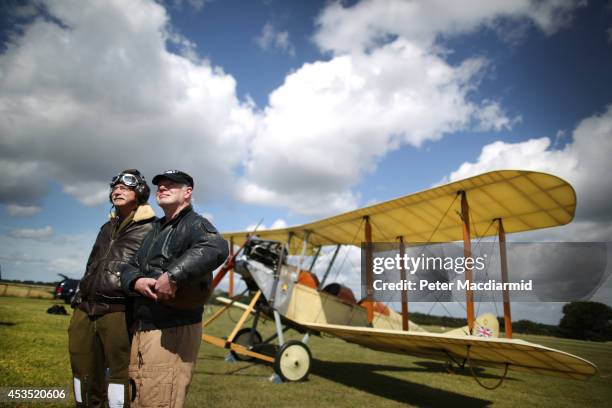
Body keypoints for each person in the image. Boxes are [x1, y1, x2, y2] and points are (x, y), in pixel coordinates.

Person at [121, 170, 228, 408]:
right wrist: (135, 281)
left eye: (172, 185)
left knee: (160, 399)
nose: (162, 188)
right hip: (145, 326)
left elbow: (216, 246)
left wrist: (174, 275)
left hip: (173, 327)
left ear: (187, 193)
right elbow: (129, 266)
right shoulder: (155, 229)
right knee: (139, 396)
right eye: (160, 186)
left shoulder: (195, 223)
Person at [69, 170, 156, 408]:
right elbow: (91, 265)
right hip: (84, 309)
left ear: (139, 193)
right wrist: (78, 298)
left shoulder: (152, 229)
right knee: (82, 372)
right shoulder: (106, 228)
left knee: (119, 378)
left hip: (119, 312)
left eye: (125, 187)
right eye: (114, 187)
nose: (117, 190)